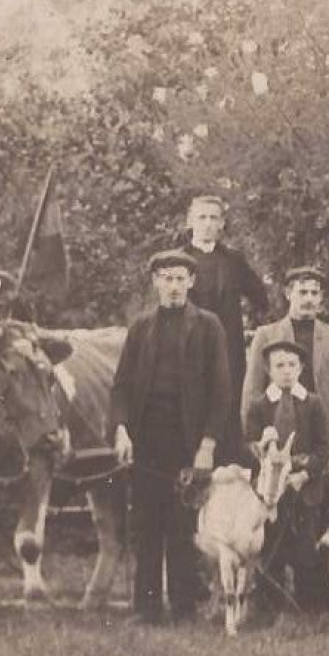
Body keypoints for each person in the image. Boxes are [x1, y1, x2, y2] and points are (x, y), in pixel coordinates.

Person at [110, 250, 232, 624]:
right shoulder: (141, 327)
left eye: (181, 278)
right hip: (146, 442)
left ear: (191, 282)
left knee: (182, 529)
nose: (175, 286)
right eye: (167, 278)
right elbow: (122, 387)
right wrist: (121, 431)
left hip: (188, 443)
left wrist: (208, 445)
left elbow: (221, 391)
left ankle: (183, 608)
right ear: (156, 282)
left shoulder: (209, 327)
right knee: (146, 527)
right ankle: (145, 610)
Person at [179, 193, 271, 464]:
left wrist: (253, 330)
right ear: (190, 221)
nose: (207, 224)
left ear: (222, 224)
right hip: (190, 354)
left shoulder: (233, 260)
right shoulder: (179, 260)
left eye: (214, 218)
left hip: (228, 353)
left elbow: (260, 298)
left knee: (228, 417)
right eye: (202, 217)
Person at [244, 266, 329, 480]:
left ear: (321, 298)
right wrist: (255, 446)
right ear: (288, 294)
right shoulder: (266, 335)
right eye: (302, 292)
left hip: (318, 442)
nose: (308, 299)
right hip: (276, 437)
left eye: (314, 293)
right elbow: (252, 393)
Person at [241, 340, 329, 611]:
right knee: (271, 547)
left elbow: (323, 447)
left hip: (303, 486)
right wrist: (261, 446)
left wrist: (306, 473)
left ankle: (310, 606)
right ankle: (270, 605)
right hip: (270, 491)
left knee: (306, 547)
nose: (286, 371)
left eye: (292, 365)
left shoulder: (312, 403)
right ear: (269, 371)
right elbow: (247, 445)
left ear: (301, 368)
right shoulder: (260, 405)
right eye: (279, 366)